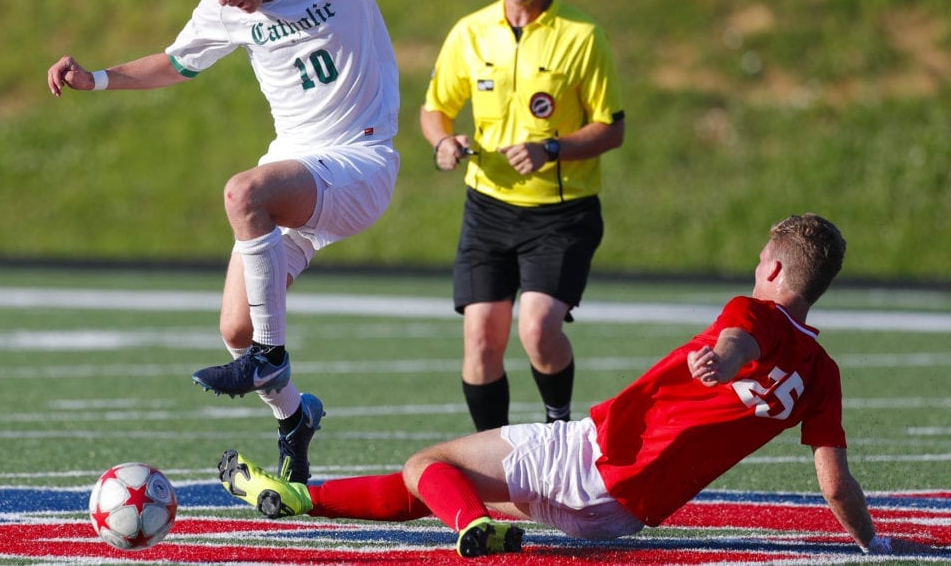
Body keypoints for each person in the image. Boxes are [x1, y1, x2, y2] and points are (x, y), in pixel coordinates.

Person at [46, 0, 498, 485]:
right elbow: (177, 63)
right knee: (235, 328)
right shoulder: (225, 6)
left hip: (358, 162)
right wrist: (96, 79)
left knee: (242, 194)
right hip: (295, 172)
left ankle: (271, 355)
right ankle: (294, 417)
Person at [215, 214, 932, 558]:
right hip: (620, 514)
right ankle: (302, 497)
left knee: (427, 466)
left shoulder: (750, 314)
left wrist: (725, 354)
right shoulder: (823, 374)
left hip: (594, 454)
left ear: (774, 270)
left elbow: (741, 337)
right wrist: (874, 544)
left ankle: (472, 528)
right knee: (443, 481)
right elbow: (836, 483)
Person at [418, 0, 625, 431]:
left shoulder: (582, 36)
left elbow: (611, 127)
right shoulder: (470, 33)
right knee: (481, 339)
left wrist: (549, 149)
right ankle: (494, 456)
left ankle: (559, 428)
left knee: (536, 328)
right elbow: (434, 109)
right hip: (487, 208)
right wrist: (444, 142)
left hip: (560, 214)